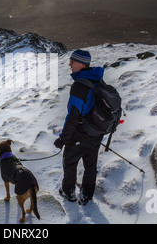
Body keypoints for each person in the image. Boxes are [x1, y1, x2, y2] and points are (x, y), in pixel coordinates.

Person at [54, 49, 105, 205]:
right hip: (96, 132)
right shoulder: (97, 80)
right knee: (90, 166)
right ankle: (87, 195)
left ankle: (69, 192)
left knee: (69, 163)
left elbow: (73, 117)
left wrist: (63, 138)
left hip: (80, 134)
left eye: (73, 62)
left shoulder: (79, 86)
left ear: (82, 64)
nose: (69, 64)